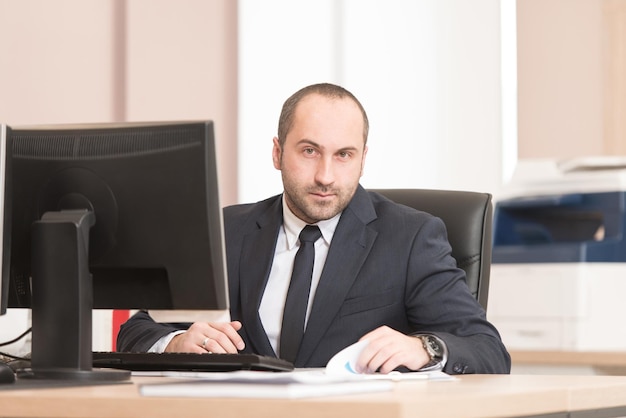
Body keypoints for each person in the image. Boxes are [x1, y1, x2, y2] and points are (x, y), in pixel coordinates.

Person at [118, 82, 511, 374]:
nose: (326, 176)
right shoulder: (228, 231)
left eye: (344, 155)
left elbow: (487, 349)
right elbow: (137, 331)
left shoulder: (411, 237)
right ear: (277, 152)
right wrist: (179, 341)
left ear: (362, 159)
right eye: (309, 151)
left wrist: (425, 348)